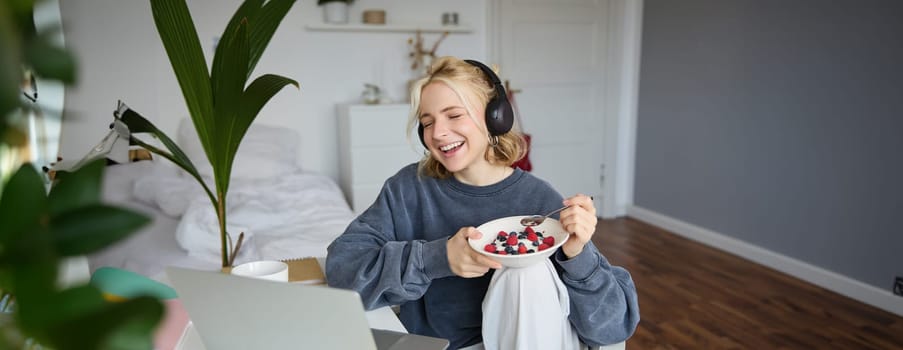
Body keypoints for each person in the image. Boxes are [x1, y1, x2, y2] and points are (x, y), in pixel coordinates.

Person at [325, 56, 639, 350]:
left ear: (495, 117)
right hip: (436, 344)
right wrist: (438, 258)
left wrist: (577, 255)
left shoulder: (539, 201)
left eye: (454, 115)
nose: (439, 133)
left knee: (525, 274)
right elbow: (343, 271)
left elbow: (614, 326)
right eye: (427, 121)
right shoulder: (408, 190)